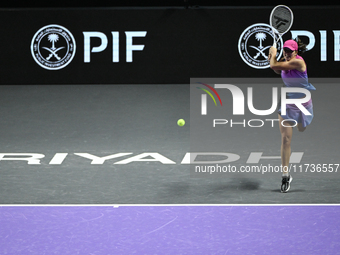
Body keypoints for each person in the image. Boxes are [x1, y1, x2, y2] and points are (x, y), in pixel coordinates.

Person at [268, 38, 316, 193]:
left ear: (296, 52)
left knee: (302, 128)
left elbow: (275, 65)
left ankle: (302, 122)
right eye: (285, 50)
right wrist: (271, 56)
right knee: (286, 139)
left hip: (303, 103)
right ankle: (285, 175)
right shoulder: (285, 59)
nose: (287, 53)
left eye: (290, 51)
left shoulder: (299, 63)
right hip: (288, 103)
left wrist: (273, 53)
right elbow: (276, 69)